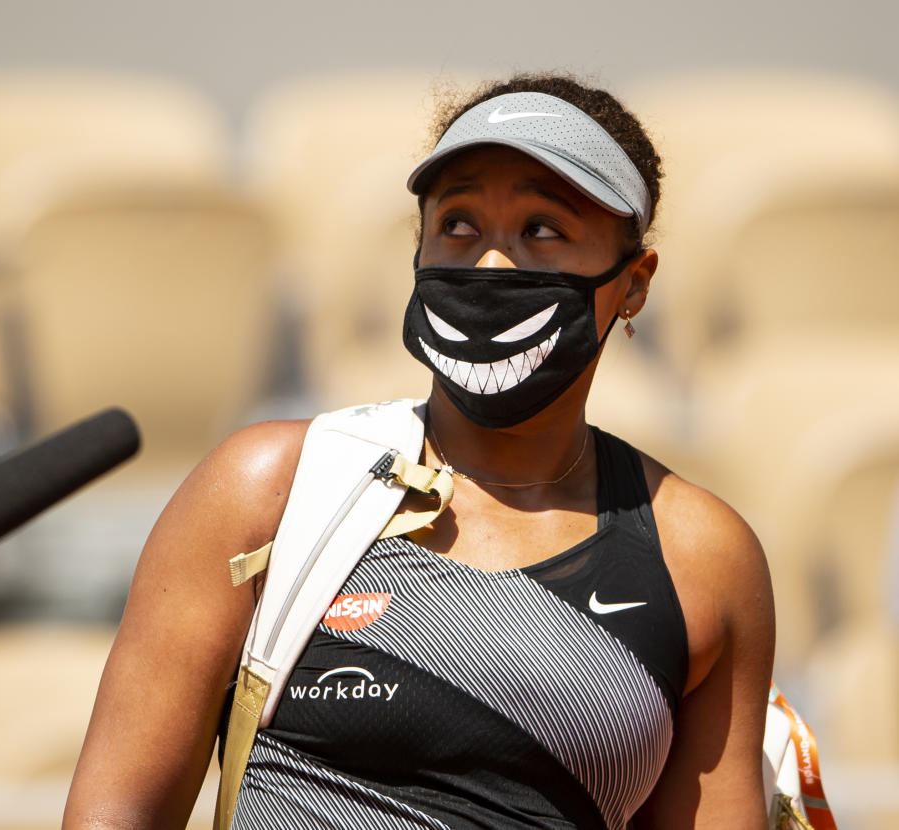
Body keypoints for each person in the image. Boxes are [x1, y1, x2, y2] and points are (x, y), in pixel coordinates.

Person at [62, 73, 775, 830]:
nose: (492, 266)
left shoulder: (699, 557)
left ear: (634, 284)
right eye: (460, 224)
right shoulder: (268, 489)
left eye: (542, 229)